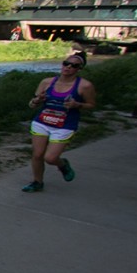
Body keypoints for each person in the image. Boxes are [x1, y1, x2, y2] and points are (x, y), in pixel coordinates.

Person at [22, 51, 96, 193]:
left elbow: (91, 104)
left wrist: (77, 105)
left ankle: (62, 165)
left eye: (74, 65)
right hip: (42, 122)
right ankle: (37, 182)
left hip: (64, 125)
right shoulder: (47, 82)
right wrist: (37, 100)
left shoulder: (85, 86)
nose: (68, 67)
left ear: (79, 69)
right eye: (66, 63)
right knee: (37, 154)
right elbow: (32, 104)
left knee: (50, 158)